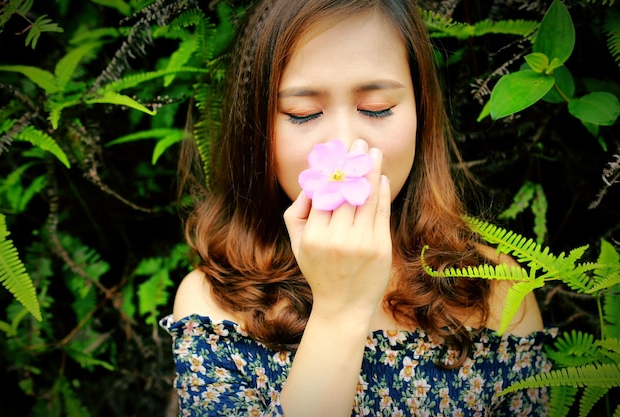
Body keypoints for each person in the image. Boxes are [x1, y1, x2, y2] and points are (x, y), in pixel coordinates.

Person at [160, 0, 555, 415]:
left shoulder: (494, 288)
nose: (348, 147)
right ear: (258, 128)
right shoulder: (215, 307)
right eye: (303, 113)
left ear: (421, 111)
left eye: (376, 108)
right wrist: (338, 313)